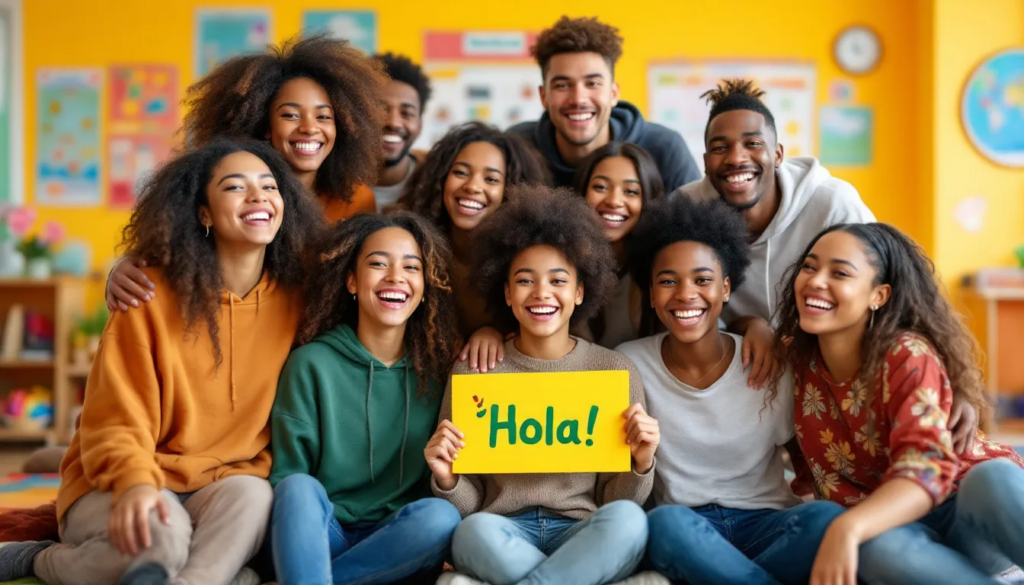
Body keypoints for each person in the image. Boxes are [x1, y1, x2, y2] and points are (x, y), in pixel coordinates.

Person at [0, 139, 324, 584]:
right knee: (160, 541)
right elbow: (114, 419)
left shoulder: (300, 301)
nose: (258, 197)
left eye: (269, 186)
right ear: (203, 213)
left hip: (225, 485)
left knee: (255, 497)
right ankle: (39, 559)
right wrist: (135, 484)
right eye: (235, 187)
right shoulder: (147, 294)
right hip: (126, 477)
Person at [425, 186, 658, 585]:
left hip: (583, 532)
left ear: (579, 291)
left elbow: (615, 503)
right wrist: (446, 477)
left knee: (629, 521)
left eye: (557, 280)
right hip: (501, 531)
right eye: (525, 281)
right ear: (507, 294)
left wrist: (641, 462)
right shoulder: (475, 371)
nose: (541, 293)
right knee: (470, 533)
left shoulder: (614, 370)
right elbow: (471, 507)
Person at [771, 223, 1024, 585]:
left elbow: (926, 469)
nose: (815, 280)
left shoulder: (905, 353)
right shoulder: (791, 358)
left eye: (839, 272)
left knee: (994, 477)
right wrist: (752, 325)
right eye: (809, 267)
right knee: (872, 549)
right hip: (894, 531)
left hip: (968, 510)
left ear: (879, 295)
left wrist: (848, 528)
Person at [617, 196, 843, 585]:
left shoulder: (769, 359)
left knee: (827, 520)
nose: (686, 294)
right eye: (668, 282)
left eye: (702, 280)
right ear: (652, 295)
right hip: (688, 524)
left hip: (768, 522)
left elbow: (805, 454)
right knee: (662, 524)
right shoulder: (628, 364)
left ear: (725, 288)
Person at [105, 34, 388, 313]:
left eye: (324, 116)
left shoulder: (356, 200)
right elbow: (171, 256)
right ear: (265, 126)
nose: (309, 128)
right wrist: (123, 269)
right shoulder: (226, 198)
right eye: (290, 115)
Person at [269, 213, 461, 584]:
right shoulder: (311, 364)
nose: (395, 277)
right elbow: (288, 478)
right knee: (297, 487)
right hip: (324, 535)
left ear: (425, 287)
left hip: (397, 541)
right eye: (377, 264)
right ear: (352, 281)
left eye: (411, 267)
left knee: (442, 518)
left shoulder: (440, 373)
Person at [393, 121, 549, 373]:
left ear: (511, 192)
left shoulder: (526, 260)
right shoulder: (411, 246)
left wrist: (493, 332)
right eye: (461, 172)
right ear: (440, 179)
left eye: (491, 178)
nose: (473, 186)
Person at [509, 16, 699, 191]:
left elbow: (700, 225)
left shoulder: (665, 149)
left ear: (613, 93)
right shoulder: (516, 147)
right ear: (543, 96)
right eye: (563, 85)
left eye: (593, 83)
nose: (578, 99)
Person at [572, 141, 664, 348]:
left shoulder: (662, 267)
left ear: (648, 199)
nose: (614, 201)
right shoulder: (562, 264)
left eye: (631, 191)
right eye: (601, 187)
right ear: (581, 193)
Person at [373, 53, 431, 209]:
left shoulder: (434, 186)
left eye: (406, 113)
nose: (393, 122)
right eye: (381, 110)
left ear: (419, 125)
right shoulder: (330, 185)